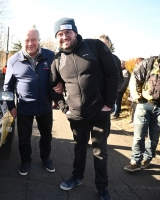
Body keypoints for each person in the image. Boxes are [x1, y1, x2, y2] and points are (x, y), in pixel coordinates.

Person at [50, 18, 119, 200]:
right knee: (79, 149)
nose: (64, 37)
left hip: (99, 112)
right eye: (60, 34)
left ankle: (102, 187)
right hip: (76, 115)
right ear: (56, 37)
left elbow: (113, 74)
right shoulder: (58, 60)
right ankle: (77, 177)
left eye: (67, 33)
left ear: (75, 32)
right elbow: (52, 86)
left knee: (100, 152)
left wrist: (109, 104)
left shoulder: (94, 46)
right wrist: (64, 108)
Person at [124, 36, 160, 172]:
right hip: (144, 104)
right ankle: (135, 161)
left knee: (154, 137)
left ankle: (147, 158)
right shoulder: (150, 62)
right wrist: (135, 95)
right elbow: (134, 78)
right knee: (139, 135)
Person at [3, 27, 56, 176]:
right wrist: (11, 106)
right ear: (22, 41)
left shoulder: (50, 56)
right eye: (27, 40)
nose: (30, 43)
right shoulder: (13, 60)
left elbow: (59, 78)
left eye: (33, 40)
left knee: (46, 136)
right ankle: (25, 161)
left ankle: (46, 158)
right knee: (24, 139)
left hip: (45, 107)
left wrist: (58, 95)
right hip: (24, 108)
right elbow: (7, 87)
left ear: (39, 40)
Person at [98, 34, 124, 113]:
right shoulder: (93, 58)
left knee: (104, 120)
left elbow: (120, 77)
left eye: (105, 44)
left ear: (109, 44)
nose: (103, 46)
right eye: (100, 44)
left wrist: (115, 89)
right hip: (94, 95)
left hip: (108, 96)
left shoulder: (115, 59)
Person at [128, 57, 144, 123]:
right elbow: (132, 83)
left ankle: (136, 120)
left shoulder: (144, 70)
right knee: (134, 106)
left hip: (140, 93)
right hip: (135, 93)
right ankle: (133, 119)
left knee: (139, 108)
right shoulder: (136, 71)